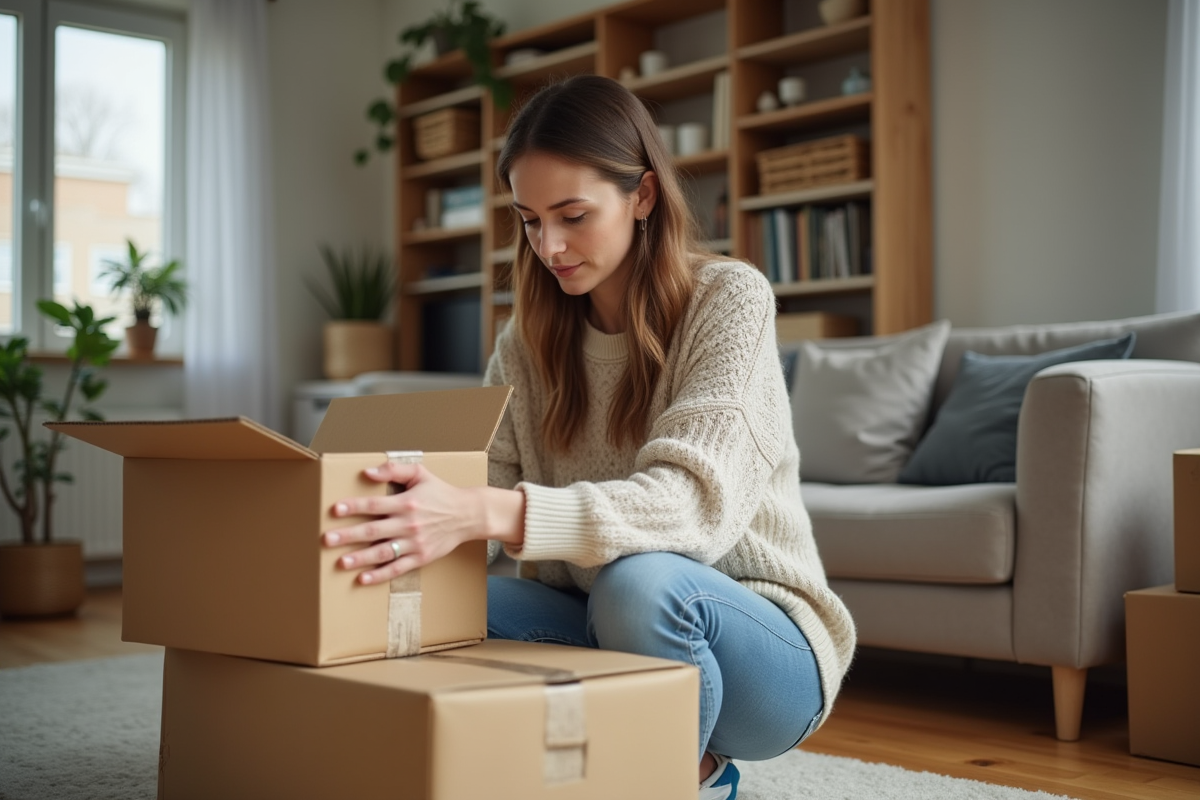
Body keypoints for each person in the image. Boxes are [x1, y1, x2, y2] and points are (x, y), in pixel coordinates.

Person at [322, 74, 856, 800]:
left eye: (573, 215)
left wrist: (489, 511)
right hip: (597, 617)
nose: (550, 245)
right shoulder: (525, 342)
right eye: (530, 220)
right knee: (434, 611)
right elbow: (479, 493)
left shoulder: (729, 299)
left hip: (761, 650)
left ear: (643, 196)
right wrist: (384, 527)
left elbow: (690, 506)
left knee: (640, 582)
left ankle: (689, 778)